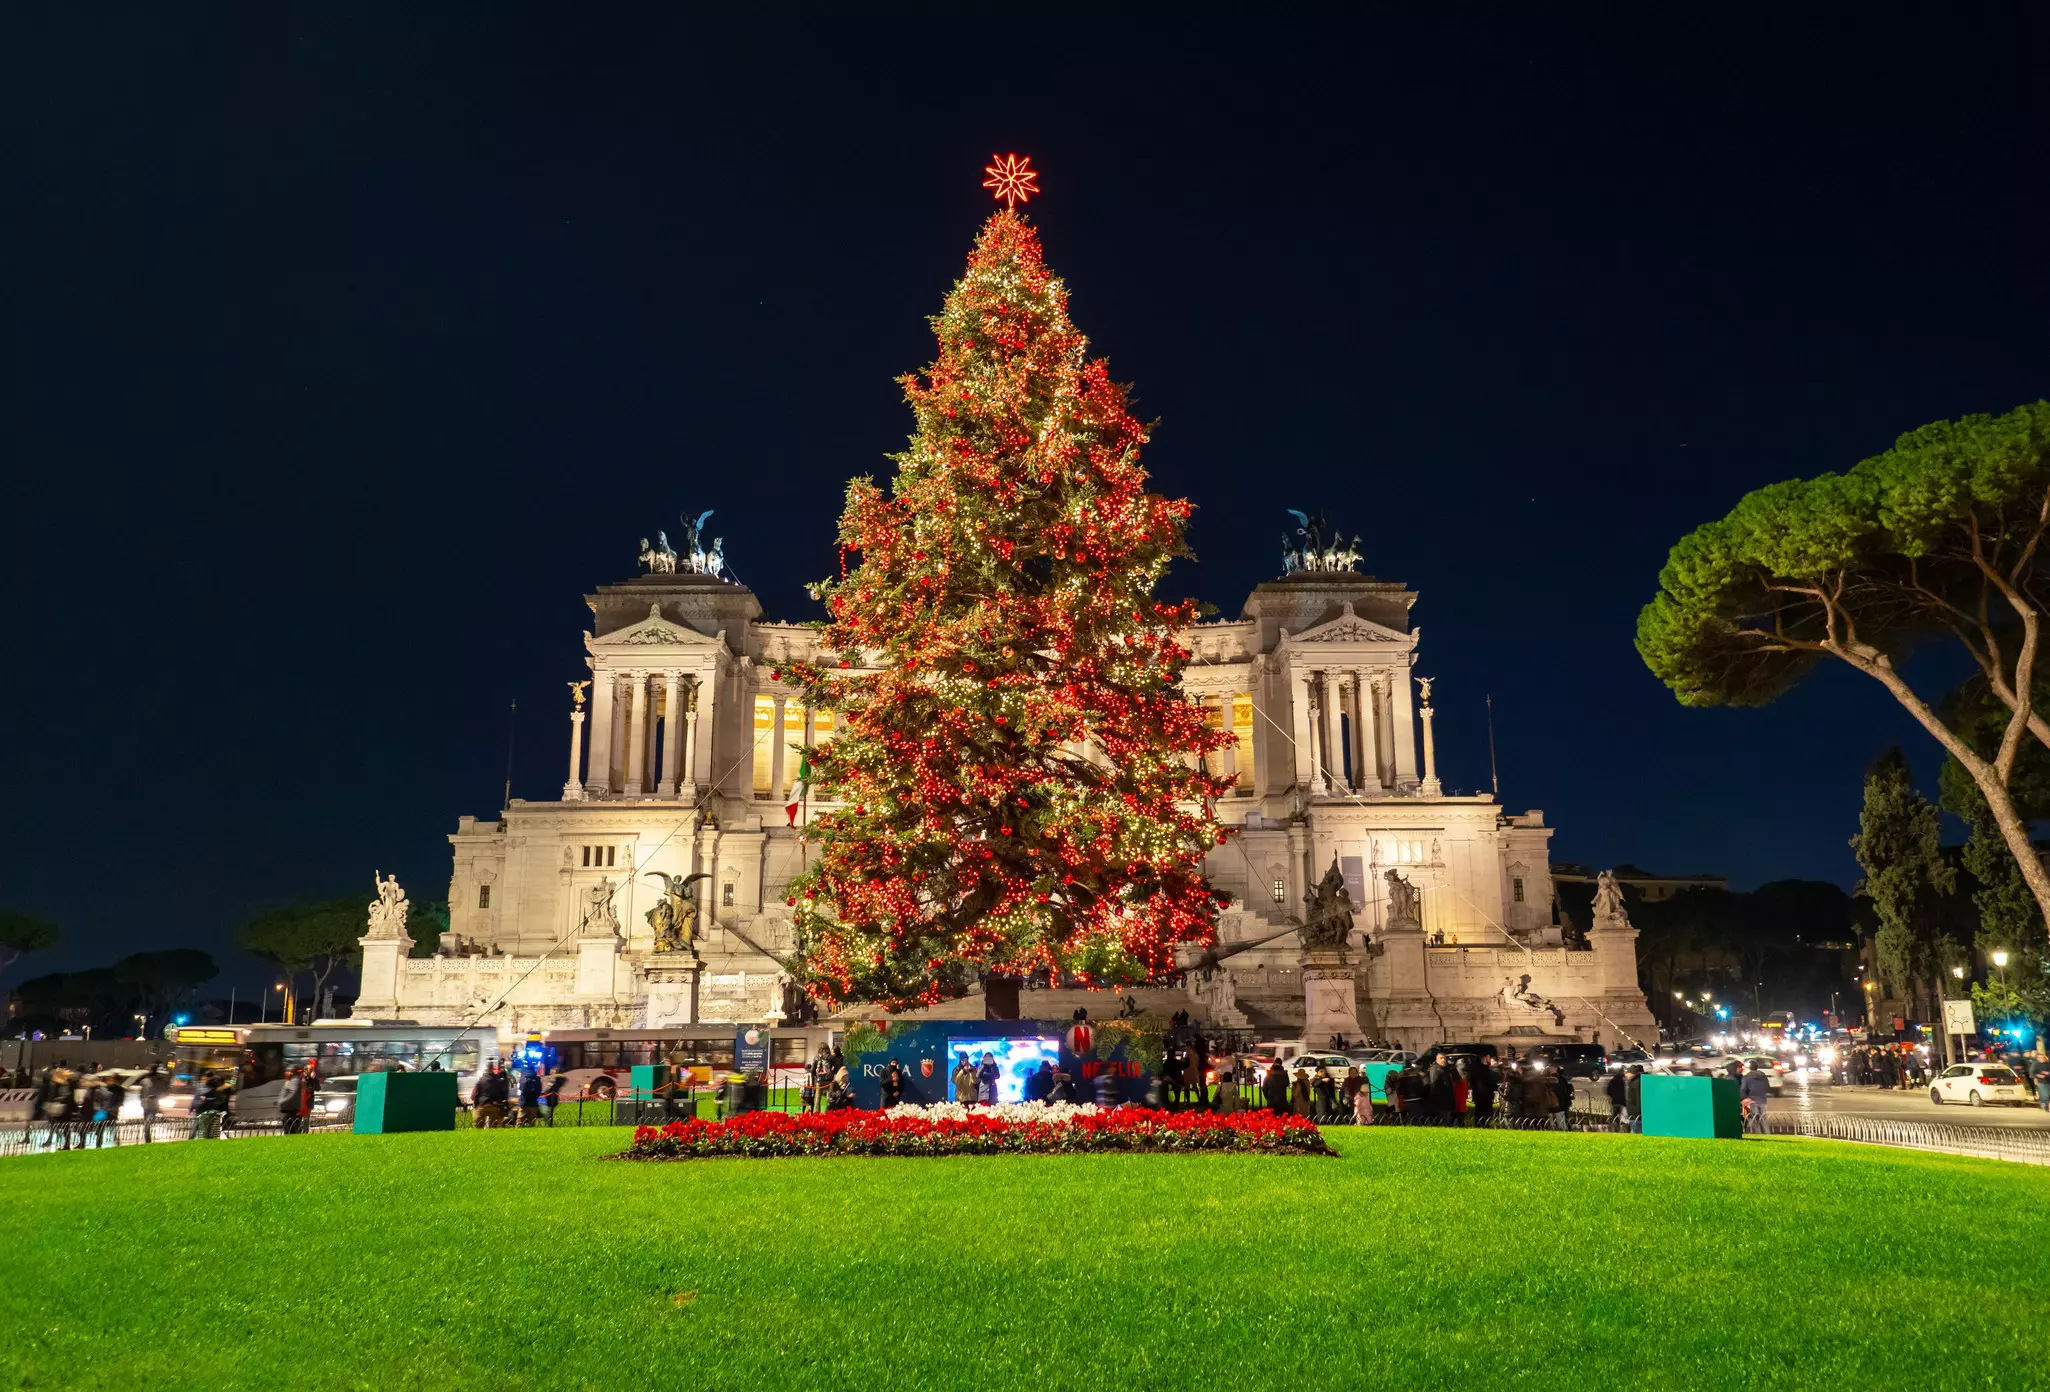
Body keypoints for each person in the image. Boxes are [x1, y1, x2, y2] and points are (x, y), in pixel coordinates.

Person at [1427, 1052, 1459, 1123]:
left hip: (1447, 1100)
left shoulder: (1446, 1069)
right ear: (1437, 1059)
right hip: (1440, 1101)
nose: (1443, 1060)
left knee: (1447, 1118)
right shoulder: (1435, 1069)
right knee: (1443, 1120)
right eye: (1441, 1058)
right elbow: (1433, 1085)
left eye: (1444, 1058)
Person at [1741, 1060, 1771, 1133]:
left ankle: (1758, 1135)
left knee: (1754, 1120)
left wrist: (1743, 1099)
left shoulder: (1747, 1077)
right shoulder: (1763, 1076)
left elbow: (1743, 1089)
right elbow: (1767, 1087)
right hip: (1763, 1100)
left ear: (1750, 1067)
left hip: (1751, 1100)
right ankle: (1767, 1134)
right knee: (1763, 1119)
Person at [278, 1068, 305, 1135]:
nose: (285, 1073)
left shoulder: (294, 1080)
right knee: (290, 1127)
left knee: (291, 1128)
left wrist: (282, 1101)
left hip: (292, 1109)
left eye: (287, 1071)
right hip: (290, 1109)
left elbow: (293, 1093)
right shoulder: (290, 1080)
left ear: (291, 1073)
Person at [1624, 1064, 1645, 1133]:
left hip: (1636, 1115)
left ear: (1632, 1073)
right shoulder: (1636, 1081)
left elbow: (1639, 1099)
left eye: (1627, 1073)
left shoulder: (1636, 1083)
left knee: (1637, 1133)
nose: (1626, 1075)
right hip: (1635, 1115)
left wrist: (1638, 1114)